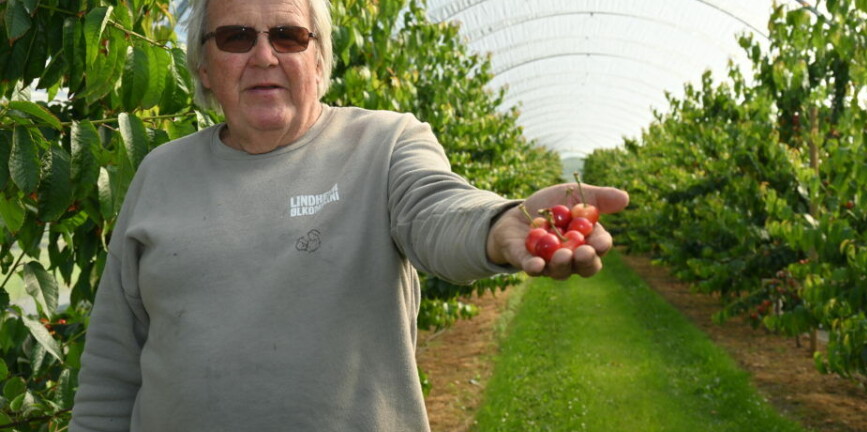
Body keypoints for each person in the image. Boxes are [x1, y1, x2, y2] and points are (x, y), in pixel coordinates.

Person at [67, 0, 629, 430]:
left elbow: (436, 208)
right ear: (204, 66)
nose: (264, 55)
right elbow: (114, 360)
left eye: (287, 35)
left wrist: (498, 225)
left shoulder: (384, 144)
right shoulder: (160, 173)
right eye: (236, 37)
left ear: (317, 56)